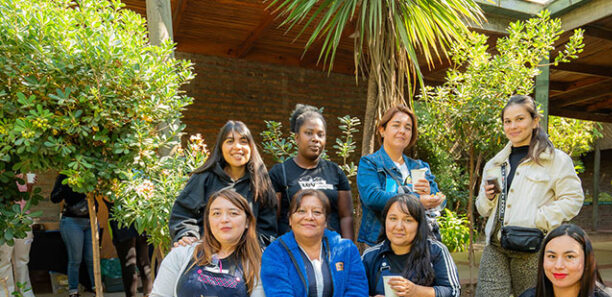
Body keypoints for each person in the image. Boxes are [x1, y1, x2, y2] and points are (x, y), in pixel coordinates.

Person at [471, 95, 584, 297]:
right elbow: (482, 208)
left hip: (533, 247)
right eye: (507, 121)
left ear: (535, 121)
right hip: (497, 246)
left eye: (519, 119)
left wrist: (539, 220)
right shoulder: (496, 163)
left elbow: (573, 198)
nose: (513, 126)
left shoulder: (555, 160)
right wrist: (487, 197)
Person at [170, 120, 278, 248]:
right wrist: (187, 235)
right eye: (230, 141)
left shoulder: (260, 183)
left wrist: (251, 249)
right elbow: (183, 214)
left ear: (251, 147)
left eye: (243, 141)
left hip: (247, 255)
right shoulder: (203, 178)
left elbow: (267, 228)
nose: (237, 147)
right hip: (206, 252)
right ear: (221, 147)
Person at [356, 104, 445, 246]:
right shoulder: (370, 163)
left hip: (418, 244)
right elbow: (372, 197)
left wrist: (432, 195)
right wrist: (417, 200)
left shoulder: (420, 166)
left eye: (408, 128)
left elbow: (440, 200)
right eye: (396, 125)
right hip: (381, 243)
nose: (402, 131)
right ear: (382, 130)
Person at [269, 104, 354, 239]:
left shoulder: (335, 172)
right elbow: (272, 219)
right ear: (297, 137)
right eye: (309, 133)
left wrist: (348, 248)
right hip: (291, 248)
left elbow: (346, 217)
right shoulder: (279, 173)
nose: (315, 139)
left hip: (331, 247)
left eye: (320, 134)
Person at [51, 173, 97, 297]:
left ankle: (96, 288)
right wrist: (67, 184)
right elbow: (54, 198)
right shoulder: (64, 176)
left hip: (90, 219)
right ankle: (73, 291)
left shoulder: (91, 173)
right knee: (75, 258)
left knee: (92, 258)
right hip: (72, 220)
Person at [0, 173, 41, 297]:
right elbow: (10, 197)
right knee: (4, 259)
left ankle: (24, 296)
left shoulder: (22, 172)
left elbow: (24, 198)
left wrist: (29, 185)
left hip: (23, 218)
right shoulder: (5, 174)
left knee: (22, 259)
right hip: (5, 218)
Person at [107, 203, 153, 297]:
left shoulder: (115, 193)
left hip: (123, 223)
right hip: (140, 219)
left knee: (128, 262)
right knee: (144, 261)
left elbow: (109, 200)